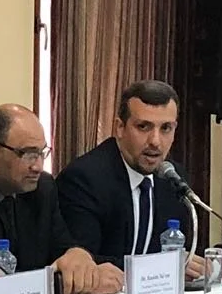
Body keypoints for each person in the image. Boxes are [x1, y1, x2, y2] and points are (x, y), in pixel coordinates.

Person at [0, 103, 124, 294]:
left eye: (42, 153)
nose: (38, 166)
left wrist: (78, 255)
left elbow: (61, 249)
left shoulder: (42, 188)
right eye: (28, 154)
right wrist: (67, 284)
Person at [57, 80, 207, 277]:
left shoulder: (173, 178)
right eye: (143, 127)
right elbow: (84, 264)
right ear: (120, 127)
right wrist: (160, 267)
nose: (155, 141)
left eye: (165, 128)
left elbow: (181, 250)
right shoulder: (84, 179)